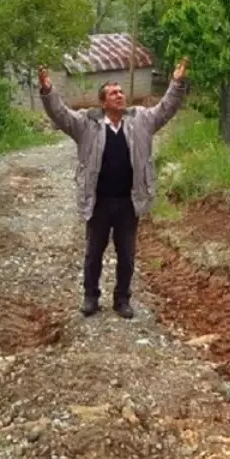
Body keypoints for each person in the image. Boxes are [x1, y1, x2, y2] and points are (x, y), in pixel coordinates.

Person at [38, 57, 189, 319]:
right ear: (103, 102)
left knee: (127, 256)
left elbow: (166, 109)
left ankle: (122, 300)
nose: (120, 96)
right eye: (113, 93)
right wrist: (48, 91)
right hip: (98, 202)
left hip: (129, 202)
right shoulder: (87, 124)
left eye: (121, 92)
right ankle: (90, 297)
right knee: (94, 253)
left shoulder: (141, 120)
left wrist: (176, 83)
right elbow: (61, 114)